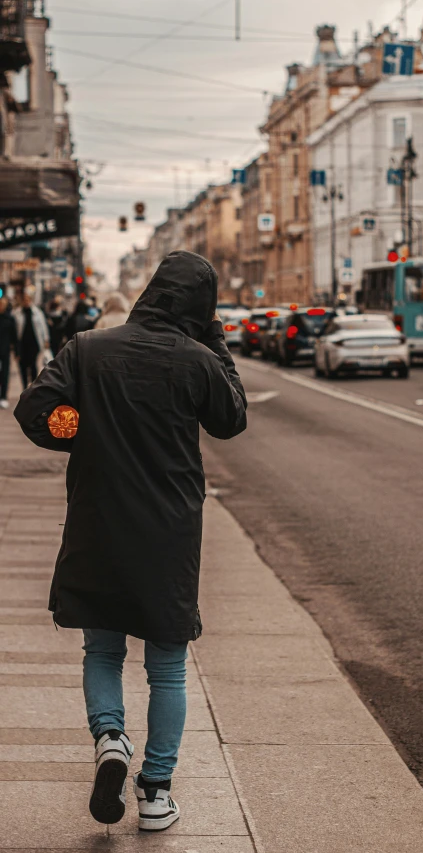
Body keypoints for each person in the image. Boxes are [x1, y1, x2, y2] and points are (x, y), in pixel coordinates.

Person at [14, 250, 247, 833]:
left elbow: (34, 409)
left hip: (98, 522)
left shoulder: (88, 348)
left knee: (103, 650)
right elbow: (231, 417)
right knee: (167, 667)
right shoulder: (196, 359)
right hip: (168, 532)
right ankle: (156, 793)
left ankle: (111, 738)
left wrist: (84, 434)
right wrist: (216, 341)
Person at [13, 292, 50, 390]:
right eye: (24, 300)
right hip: (22, 344)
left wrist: (46, 339)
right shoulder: (16, 313)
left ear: (30, 300)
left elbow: (43, 326)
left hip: (34, 343)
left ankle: (33, 387)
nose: (26, 302)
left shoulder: (37, 312)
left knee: (33, 365)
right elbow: (14, 330)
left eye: (28, 299)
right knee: (23, 366)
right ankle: (25, 387)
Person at [0, 296, 18, 409]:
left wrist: (16, 352)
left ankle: (3, 396)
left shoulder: (10, 318)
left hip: (5, 350)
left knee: (5, 374)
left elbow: (14, 337)